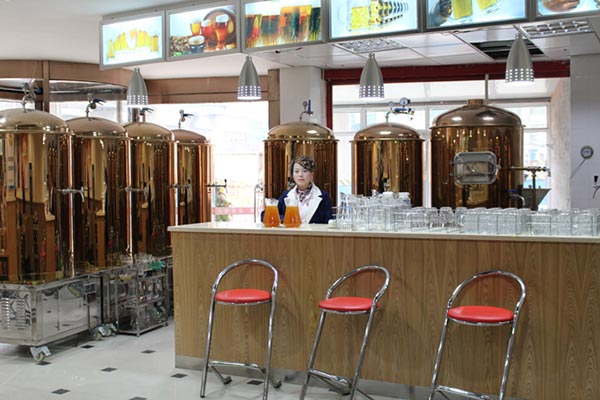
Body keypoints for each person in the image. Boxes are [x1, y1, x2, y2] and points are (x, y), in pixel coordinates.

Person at [277, 155, 333, 224]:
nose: (300, 175)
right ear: (293, 175)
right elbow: (271, 214)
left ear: (312, 174)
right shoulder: (285, 195)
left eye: (305, 171)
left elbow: (329, 222)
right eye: (296, 171)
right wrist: (284, 219)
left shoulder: (324, 196)